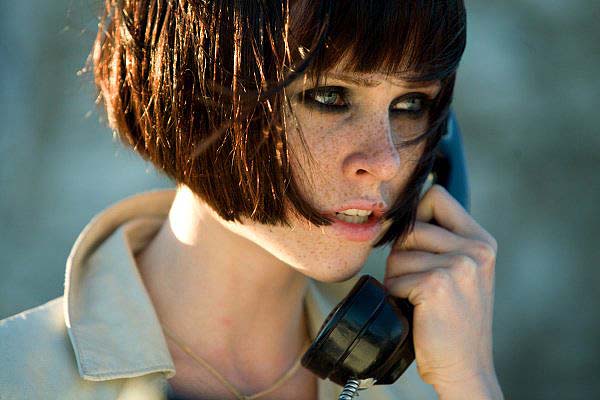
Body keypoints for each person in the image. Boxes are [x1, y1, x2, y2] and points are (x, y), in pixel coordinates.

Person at [0, 1, 504, 399]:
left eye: (411, 104)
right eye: (329, 96)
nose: (388, 161)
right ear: (193, 92)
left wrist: (471, 383)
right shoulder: (17, 376)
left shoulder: (429, 384)